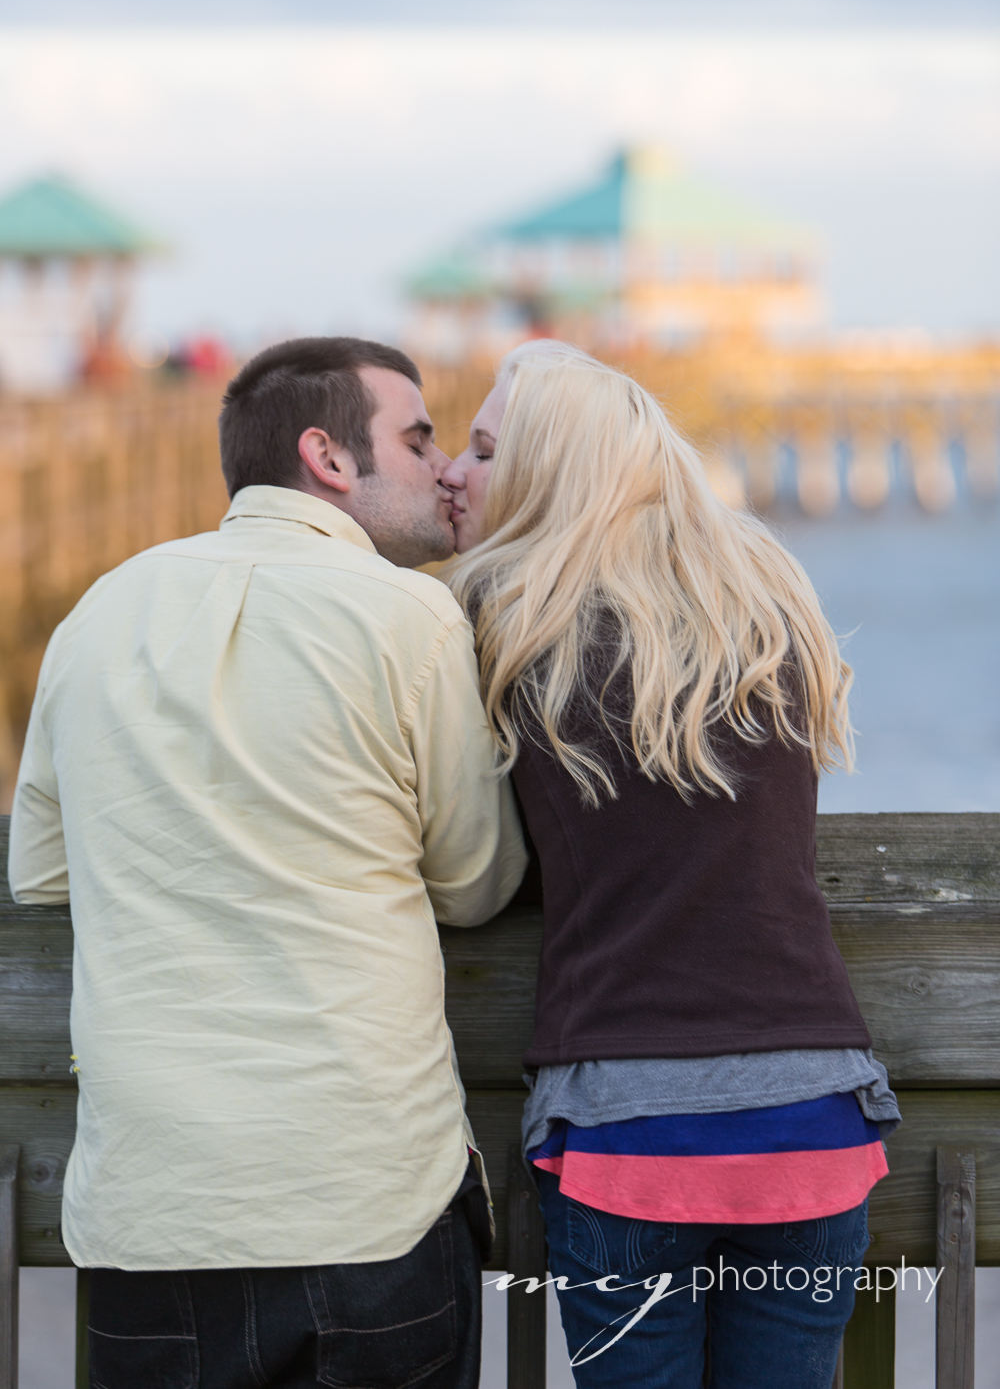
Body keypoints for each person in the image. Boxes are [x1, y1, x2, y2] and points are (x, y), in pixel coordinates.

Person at [8, 336, 527, 1389]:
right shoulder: (410, 618)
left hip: (153, 1217)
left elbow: (43, 876)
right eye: (419, 438)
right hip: (365, 1205)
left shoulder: (97, 612)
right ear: (328, 459)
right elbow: (476, 884)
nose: (441, 466)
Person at [442, 341, 900, 1389]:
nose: (455, 473)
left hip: (627, 1125)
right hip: (815, 1111)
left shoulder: (501, 623)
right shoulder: (765, 605)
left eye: (482, 449)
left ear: (545, 470)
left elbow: (474, 848)